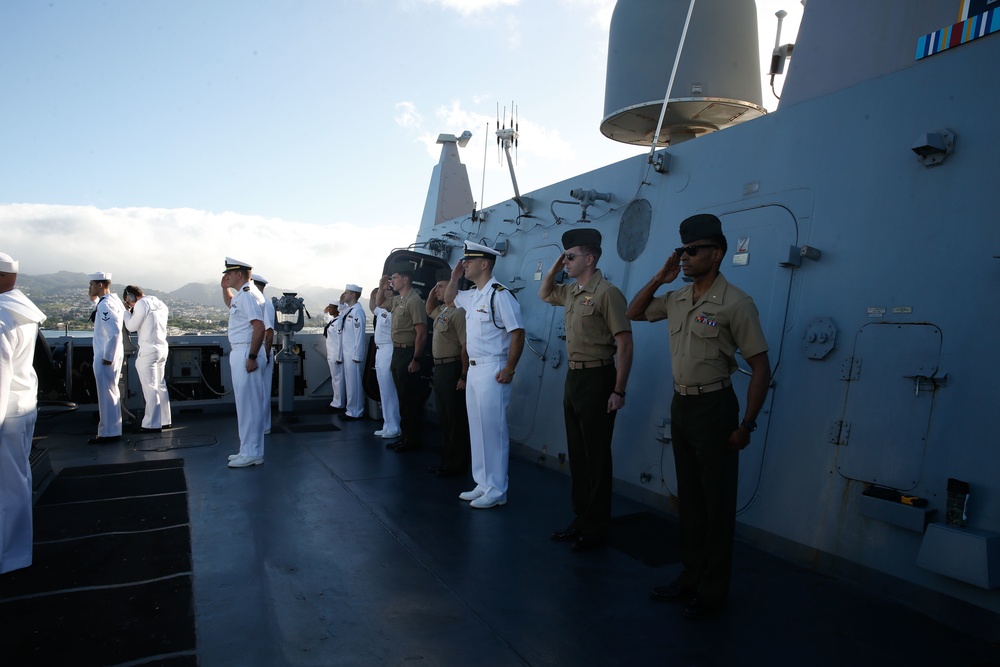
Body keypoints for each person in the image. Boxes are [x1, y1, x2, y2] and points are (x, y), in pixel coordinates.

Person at [626, 213, 771, 620]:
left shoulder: (736, 303)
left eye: (692, 251)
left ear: (717, 253)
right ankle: (690, 576)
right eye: (681, 251)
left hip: (715, 408)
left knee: (716, 502)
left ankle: (713, 587)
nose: (685, 258)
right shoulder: (677, 299)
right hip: (682, 406)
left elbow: (761, 367)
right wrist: (660, 277)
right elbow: (635, 313)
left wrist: (746, 425)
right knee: (689, 500)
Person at [539, 228, 633, 552]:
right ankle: (581, 518)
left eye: (571, 256)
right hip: (574, 378)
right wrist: (555, 266)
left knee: (596, 457)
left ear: (590, 259)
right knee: (578, 456)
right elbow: (544, 292)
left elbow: (624, 343)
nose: (566, 261)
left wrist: (618, 391)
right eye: (565, 256)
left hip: (598, 378)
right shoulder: (571, 292)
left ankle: (596, 527)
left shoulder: (608, 294)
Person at [444, 242, 524, 509]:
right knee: (477, 428)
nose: (464, 264)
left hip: (493, 368)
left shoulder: (500, 295)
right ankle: (483, 483)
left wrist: (510, 368)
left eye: (469, 261)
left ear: (484, 264)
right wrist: (454, 277)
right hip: (475, 371)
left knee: (493, 430)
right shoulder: (473, 295)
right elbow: (448, 299)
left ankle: (498, 489)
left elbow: (517, 332)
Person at [0, 251, 46, 573]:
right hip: (24, 404)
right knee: (19, 481)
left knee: (8, 487)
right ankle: (16, 553)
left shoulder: (3, 317)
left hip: (8, 413)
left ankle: (10, 557)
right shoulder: (20, 311)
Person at [375, 262, 428, 452]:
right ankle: (405, 437)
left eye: (395, 278)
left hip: (408, 353)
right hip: (397, 352)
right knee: (403, 398)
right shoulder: (398, 300)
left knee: (410, 398)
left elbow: (421, 333)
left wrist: (416, 359)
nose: (392, 281)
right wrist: (382, 288)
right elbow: (380, 303)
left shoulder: (414, 301)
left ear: (405, 279)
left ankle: (412, 439)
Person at [221, 257, 267, 468]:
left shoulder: (248, 295)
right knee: (245, 404)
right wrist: (224, 289)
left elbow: (259, 328)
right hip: (242, 351)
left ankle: (252, 452)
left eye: (228, 274)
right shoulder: (244, 295)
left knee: (249, 406)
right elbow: (232, 305)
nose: (225, 276)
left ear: (238, 274)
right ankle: (247, 450)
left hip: (246, 352)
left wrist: (251, 357)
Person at [425, 269, 470, 478]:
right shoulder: (443, 310)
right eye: (437, 287)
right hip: (440, 369)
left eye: (441, 287)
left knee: (454, 417)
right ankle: (447, 459)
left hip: (452, 368)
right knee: (445, 416)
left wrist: (463, 375)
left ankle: (456, 463)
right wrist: (432, 292)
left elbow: (465, 346)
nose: (437, 291)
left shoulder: (459, 312)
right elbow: (429, 310)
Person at [122, 285, 172, 432]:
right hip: (162, 348)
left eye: (129, 301)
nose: (130, 304)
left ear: (131, 297)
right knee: (160, 385)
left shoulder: (141, 304)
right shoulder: (159, 302)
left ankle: (151, 424)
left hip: (149, 350)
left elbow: (131, 326)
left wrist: (126, 312)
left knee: (150, 386)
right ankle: (165, 420)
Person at [87, 271, 125, 444]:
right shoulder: (113, 301)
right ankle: (113, 430)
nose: (90, 287)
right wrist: (93, 299)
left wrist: (108, 357)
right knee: (112, 392)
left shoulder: (105, 305)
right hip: (113, 354)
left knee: (106, 394)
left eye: (91, 285)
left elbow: (115, 332)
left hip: (106, 355)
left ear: (100, 285)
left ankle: (108, 433)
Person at [368, 287, 401, 440]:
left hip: (389, 348)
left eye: (388, 290)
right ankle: (387, 425)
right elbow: (372, 307)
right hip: (380, 350)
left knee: (390, 390)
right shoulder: (381, 310)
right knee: (383, 391)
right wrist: (373, 293)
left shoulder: (393, 310)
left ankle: (395, 426)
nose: (385, 293)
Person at [337, 283, 367, 421]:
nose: (344, 295)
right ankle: (350, 409)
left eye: (346, 293)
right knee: (349, 383)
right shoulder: (350, 310)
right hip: (347, 352)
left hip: (353, 353)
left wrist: (357, 354)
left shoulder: (357, 312)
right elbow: (341, 313)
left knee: (354, 384)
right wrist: (341, 302)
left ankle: (356, 411)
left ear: (353, 295)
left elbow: (360, 334)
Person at [252, 274, 276, 435]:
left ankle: (262, 426)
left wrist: (266, 355)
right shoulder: (265, 302)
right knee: (260, 391)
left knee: (260, 391)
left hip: (262, 351)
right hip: (262, 351)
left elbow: (268, 332)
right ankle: (261, 425)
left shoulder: (262, 303)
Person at [322, 300, 346, 412]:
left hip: (336, 354)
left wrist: (339, 356)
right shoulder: (334, 321)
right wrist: (325, 312)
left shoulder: (340, 321)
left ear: (337, 309)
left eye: (331, 307)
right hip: (331, 354)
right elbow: (327, 321)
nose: (329, 309)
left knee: (338, 379)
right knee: (335, 379)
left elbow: (341, 340)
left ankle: (339, 404)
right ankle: (336, 402)